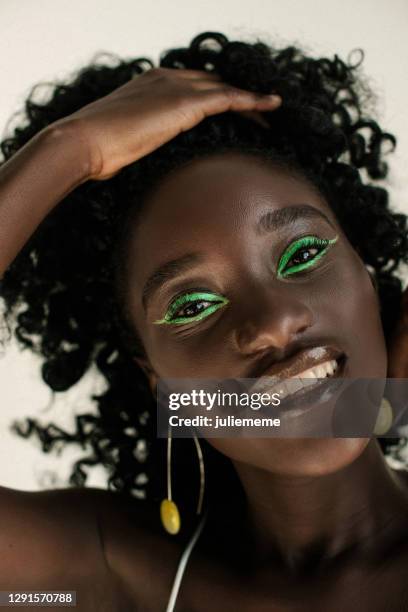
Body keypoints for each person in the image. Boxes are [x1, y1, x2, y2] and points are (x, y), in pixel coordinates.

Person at [1, 30, 408, 611]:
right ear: (159, 382)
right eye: (192, 306)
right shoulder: (109, 580)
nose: (275, 320)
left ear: (368, 275)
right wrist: (69, 150)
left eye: (304, 254)